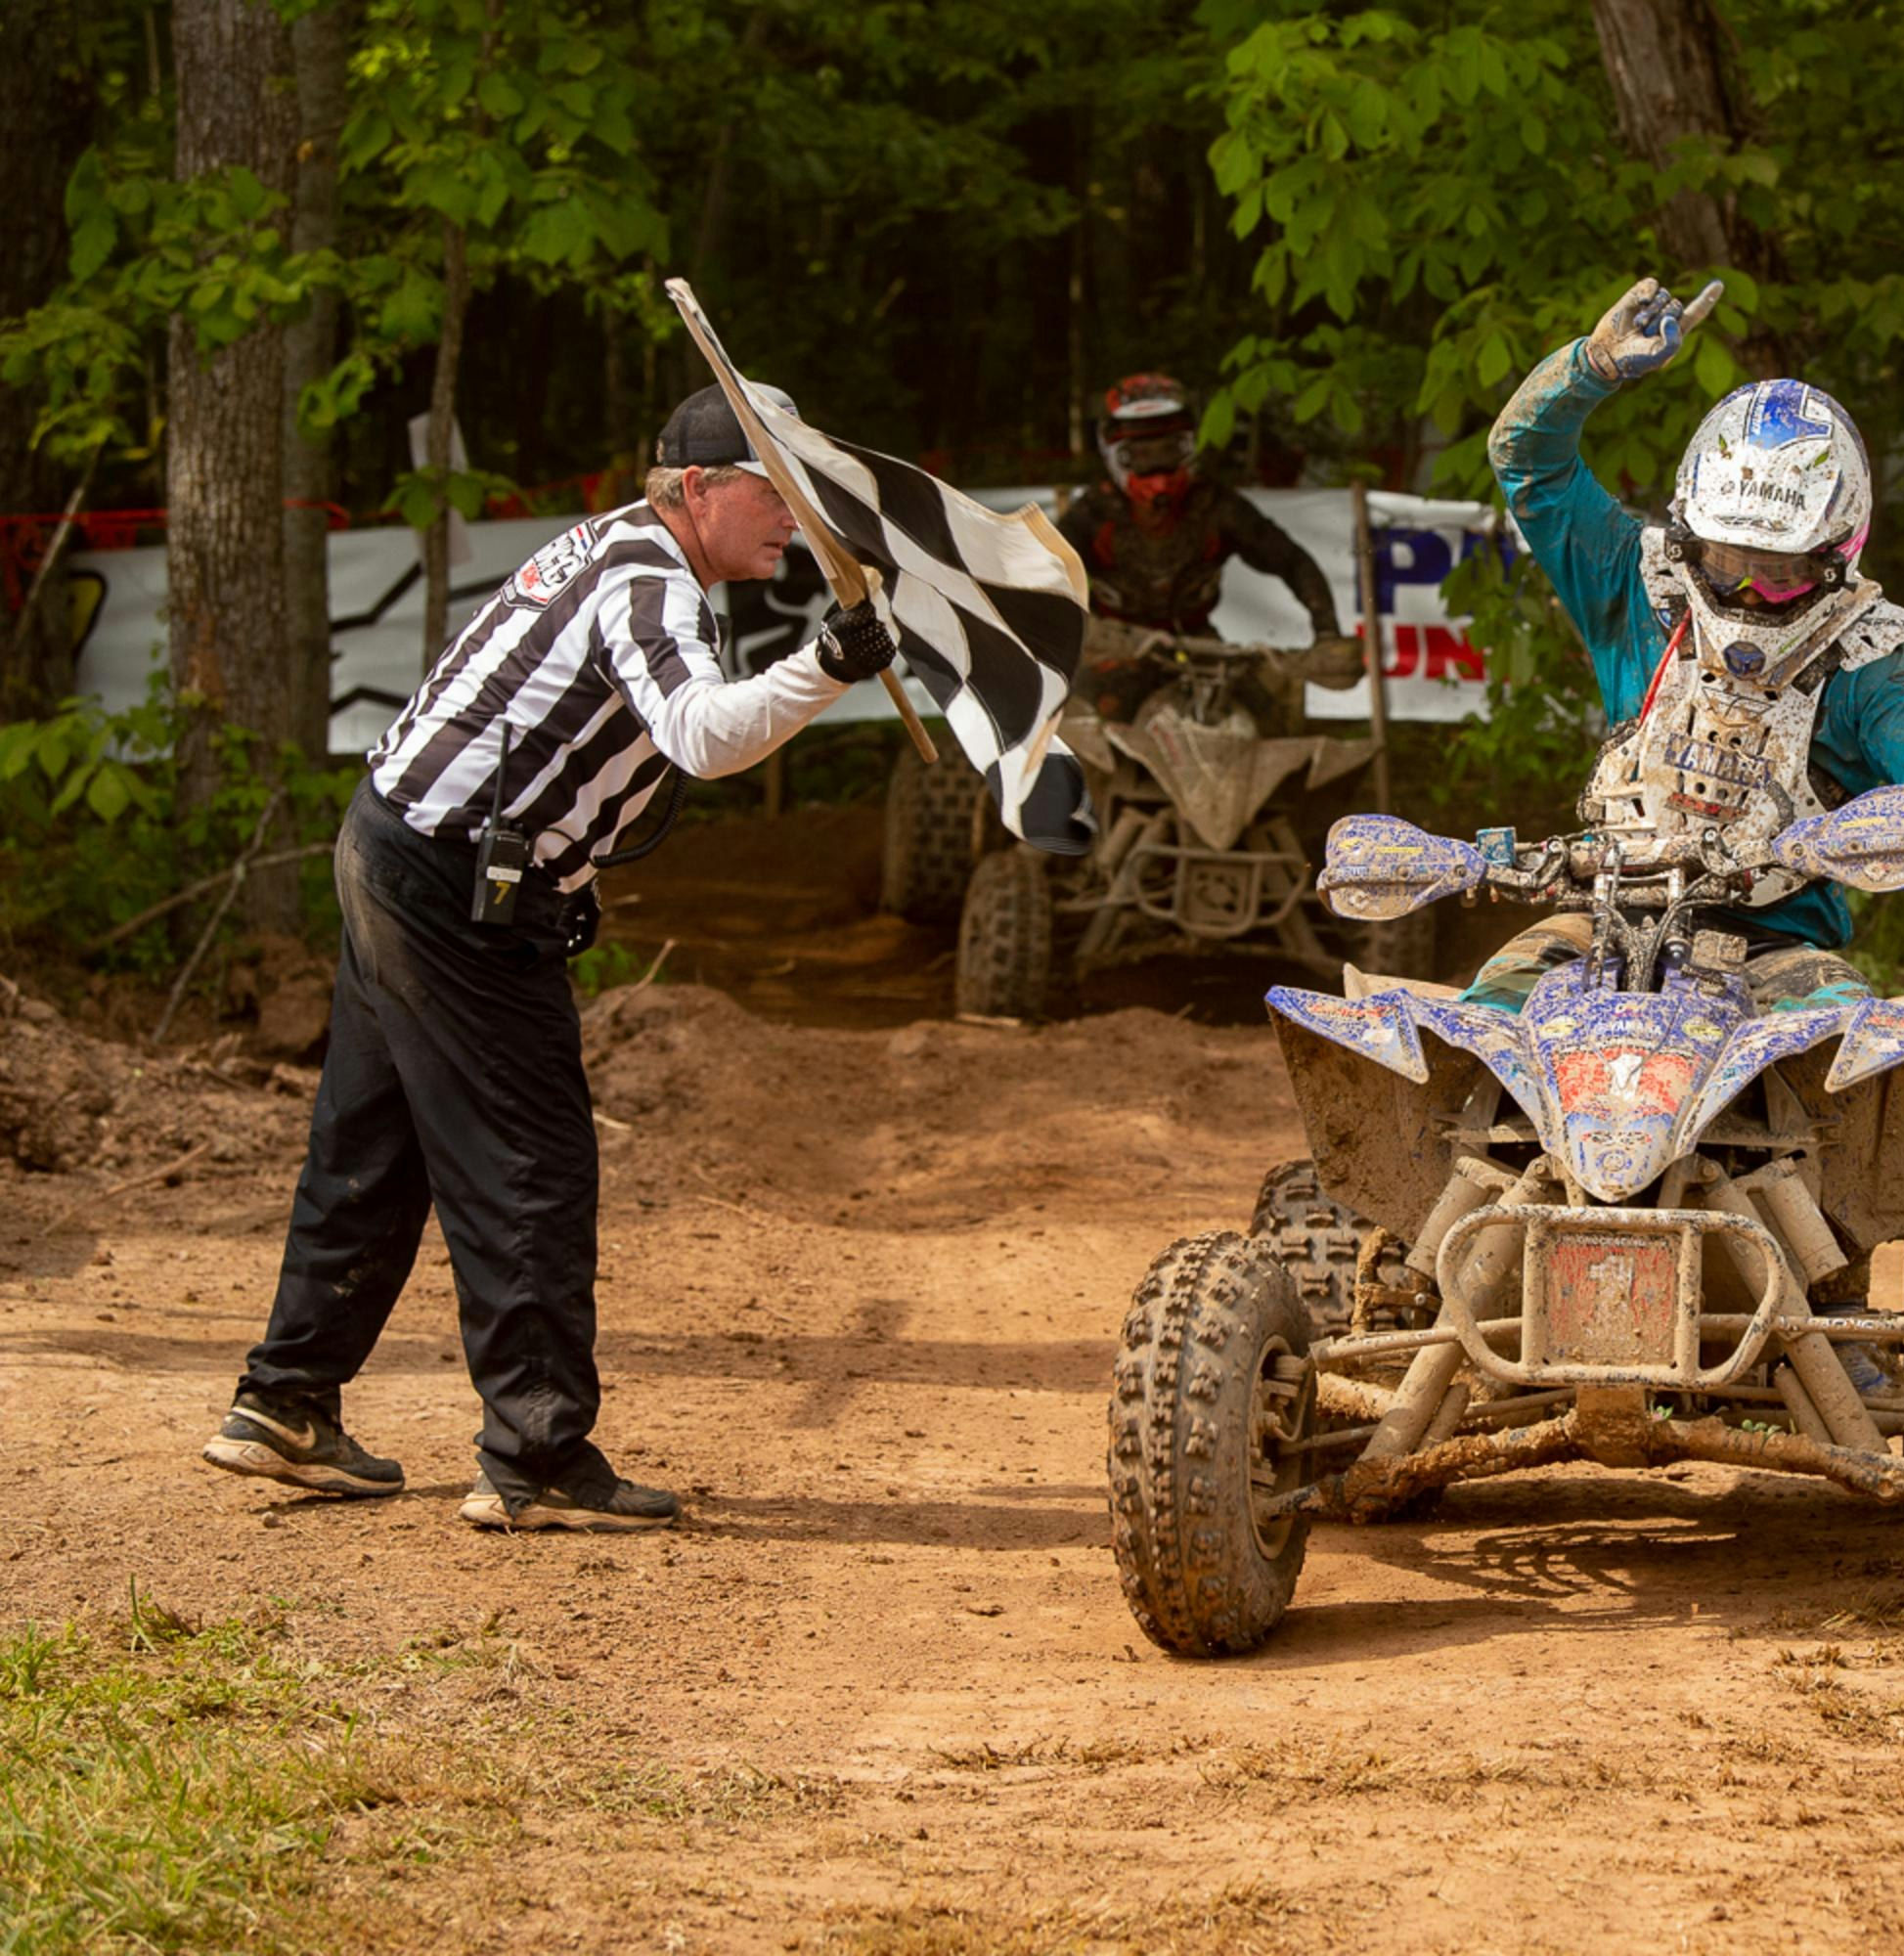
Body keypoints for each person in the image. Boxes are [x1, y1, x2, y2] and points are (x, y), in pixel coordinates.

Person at [201, 383, 904, 1529]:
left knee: (374, 1148)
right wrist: (826, 663)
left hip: (401, 841)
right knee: (530, 1161)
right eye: (774, 490)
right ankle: (533, 1456)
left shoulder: (623, 554)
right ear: (695, 489)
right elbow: (699, 734)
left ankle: (283, 1402)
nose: (797, 516)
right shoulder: (645, 579)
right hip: (447, 885)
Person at [1461, 276, 1904, 1019]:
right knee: (1471, 1034)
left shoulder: (1870, 658)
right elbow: (1526, 458)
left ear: (1836, 553)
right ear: (1687, 533)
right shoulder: (1636, 582)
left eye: (1778, 574)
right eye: (1727, 562)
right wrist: (1590, 366)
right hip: (1595, 925)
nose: (1747, 593)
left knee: (1846, 1056)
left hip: (1773, 946)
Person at [1052, 373, 1361, 719]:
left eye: (1170, 450)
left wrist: (1328, 633)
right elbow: (1042, 577)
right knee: (1084, 726)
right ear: (1115, 456)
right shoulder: (1095, 513)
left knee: (1265, 710)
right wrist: (1085, 631)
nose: (1158, 468)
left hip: (1197, 644)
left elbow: (1292, 561)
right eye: (1140, 455)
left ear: (1189, 447)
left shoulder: (1215, 507)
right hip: (1115, 644)